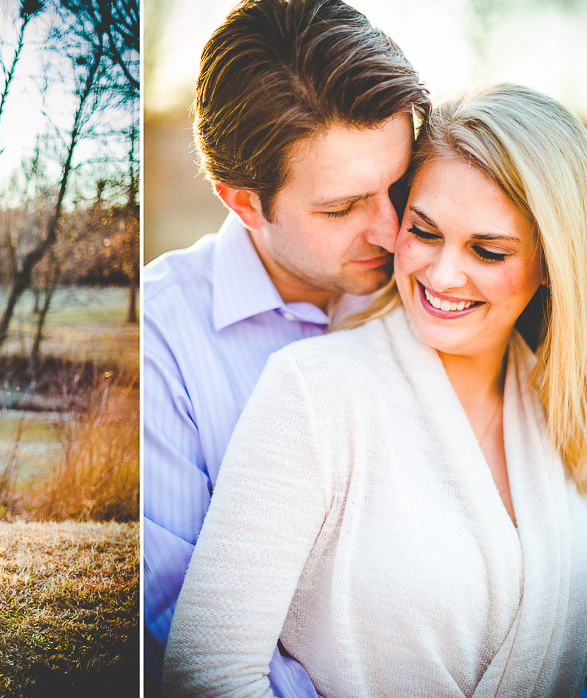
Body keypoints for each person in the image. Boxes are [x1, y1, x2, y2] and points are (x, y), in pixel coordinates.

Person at [163, 83, 587, 696]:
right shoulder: (314, 393)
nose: (442, 275)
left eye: (489, 251)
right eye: (425, 231)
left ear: (551, 262)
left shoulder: (561, 409)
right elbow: (209, 674)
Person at [143, 0, 428, 693]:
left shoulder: (446, 286)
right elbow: (180, 631)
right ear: (243, 203)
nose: (394, 233)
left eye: (400, 182)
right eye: (342, 207)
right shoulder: (159, 345)